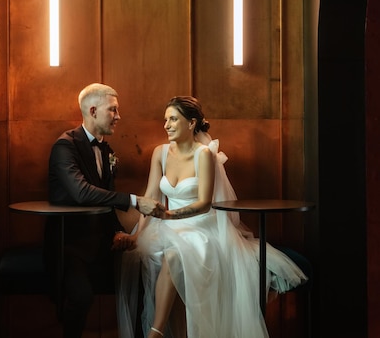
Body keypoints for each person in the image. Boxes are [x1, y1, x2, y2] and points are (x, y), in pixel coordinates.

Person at [116, 96, 308, 338]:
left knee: (174, 253)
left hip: (201, 227)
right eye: (165, 120)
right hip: (165, 225)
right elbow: (150, 197)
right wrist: (139, 234)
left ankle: (156, 331)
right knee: (152, 252)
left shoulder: (204, 154)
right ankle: (166, 329)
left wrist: (169, 214)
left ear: (191, 123)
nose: (166, 125)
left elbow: (204, 203)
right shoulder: (160, 153)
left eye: (173, 119)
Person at [44, 83, 165, 338]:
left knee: (149, 274)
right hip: (70, 246)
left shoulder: (107, 150)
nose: (118, 116)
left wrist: (118, 232)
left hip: (101, 245)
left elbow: (105, 201)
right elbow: (82, 193)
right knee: (81, 296)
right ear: (93, 110)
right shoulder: (65, 146)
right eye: (113, 110)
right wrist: (134, 201)